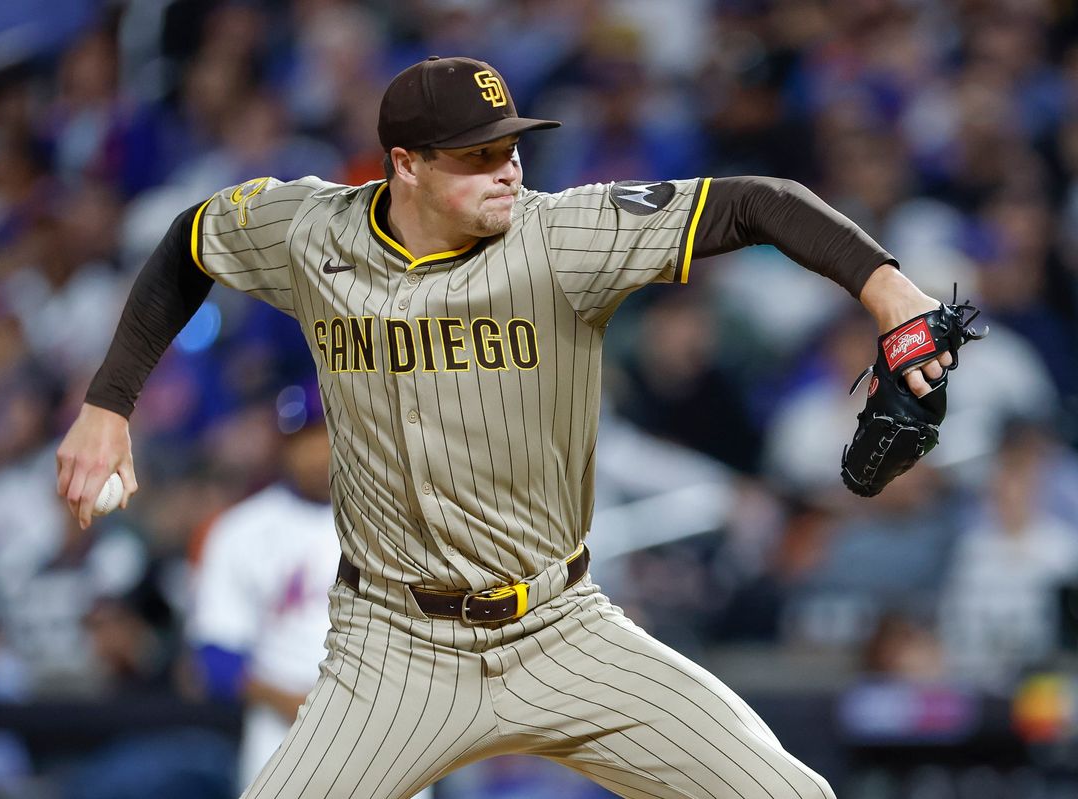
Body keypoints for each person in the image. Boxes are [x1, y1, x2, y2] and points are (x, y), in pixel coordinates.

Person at [57, 56, 957, 799]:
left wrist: (886, 287)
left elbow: (756, 201)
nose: (509, 170)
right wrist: (109, 403)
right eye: (479, 155)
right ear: (405, 164)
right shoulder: (313, 233)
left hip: (560, 627)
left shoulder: (559, 238)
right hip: (393, 648)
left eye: (511, 147)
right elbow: (191, 239)